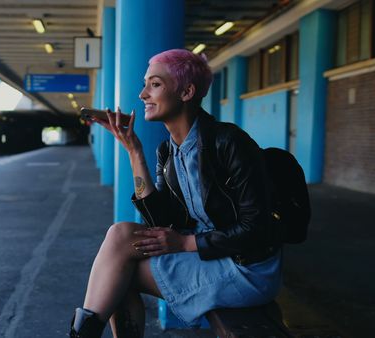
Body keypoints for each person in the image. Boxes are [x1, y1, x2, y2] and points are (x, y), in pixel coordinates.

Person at [69, 49, 282, 338]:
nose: (143, 94)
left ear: (186, 92)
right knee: (121, 236)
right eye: (145, 85)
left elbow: (257, 229)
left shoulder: (229, 142)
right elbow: (163, 219)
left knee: (119, 275)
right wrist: (134, 151)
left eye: (154, 84)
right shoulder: (168, 151)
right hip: (208, 256)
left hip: (245, 267)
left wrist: (185, 242)